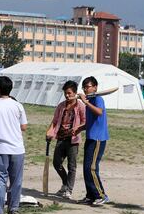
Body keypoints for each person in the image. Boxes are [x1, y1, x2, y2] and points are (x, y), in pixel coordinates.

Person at [0, 76, 27, 214]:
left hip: (0, 148)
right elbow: (24, 127)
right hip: (17, 148)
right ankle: (13, 209)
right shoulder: (18, 105)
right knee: (16, 180)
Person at [46, 80, 86, 199]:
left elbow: (85, 122)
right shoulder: (61, 106)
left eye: (69, 93)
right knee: (56, 163)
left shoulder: (80, 106)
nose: (67, 95)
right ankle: (65, 183)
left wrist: (77, 128)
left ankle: (69, 189)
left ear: (75, 93)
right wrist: (49, 133)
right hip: (61, 138)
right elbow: (54, 122)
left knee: (71, 166)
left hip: (73, 140)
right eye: (65, 93)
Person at [77, 76, 110, 206]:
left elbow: (99, 112)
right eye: (84, 87)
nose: (85, 89)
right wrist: (80, 128)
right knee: (86, 168)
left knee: (91, 168)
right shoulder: (90, 100)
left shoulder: (98, 99)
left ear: (95, 87)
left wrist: (85, 102)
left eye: (88, 87)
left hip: (98, 138)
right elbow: (91, 121)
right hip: (90, 137)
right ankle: (90, 195)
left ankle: (101, 195)